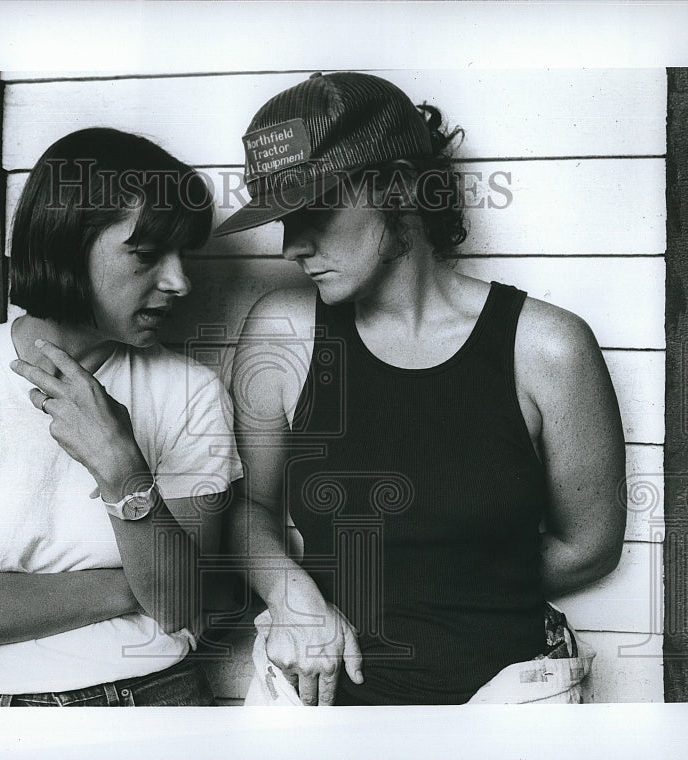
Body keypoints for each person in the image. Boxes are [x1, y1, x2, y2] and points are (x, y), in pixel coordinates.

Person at [216, 72, 626, 706]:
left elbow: (590, 546)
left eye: (314, 208)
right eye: (282, 217)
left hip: (509, 707)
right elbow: (249, 511)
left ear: (400, 183)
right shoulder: (283, 333)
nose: (292, 244)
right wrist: (291, 593)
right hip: (327, 705)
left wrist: (443, 588)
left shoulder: (547, 348)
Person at [0, 128, 242, 707]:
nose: (180, 282)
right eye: (148, 256)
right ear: (66, 244)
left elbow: (178, 603)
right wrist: (135, 585)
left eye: (183, 256)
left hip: (158, 702)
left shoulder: (191, 391)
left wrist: (122, 467)